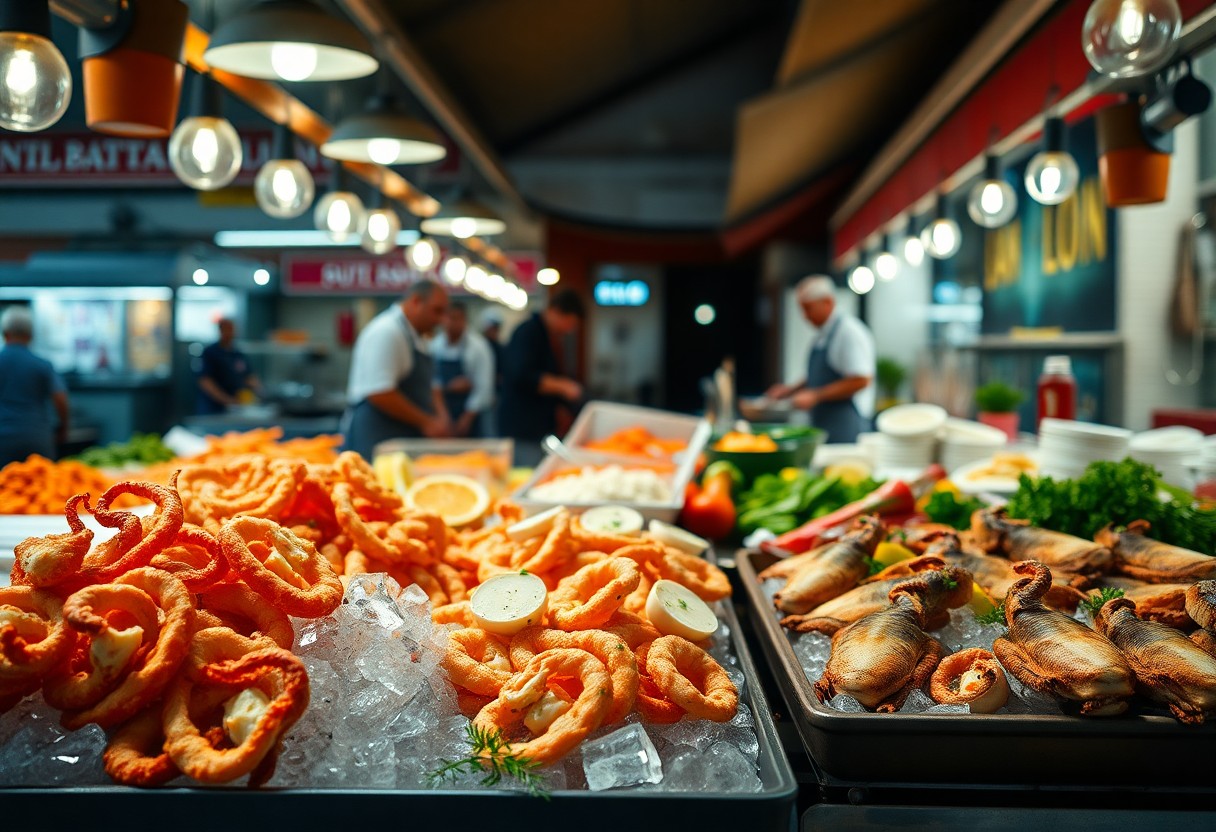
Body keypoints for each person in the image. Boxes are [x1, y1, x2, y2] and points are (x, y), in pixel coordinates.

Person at [343, 280, 452, 459]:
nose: (440, 320)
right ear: (416, 301)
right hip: (376, 437)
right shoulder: (387, 331)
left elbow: (432, 385)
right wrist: (427, 422)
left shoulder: (419, 336)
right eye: (437, 311)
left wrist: (441, 416)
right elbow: (379, 392)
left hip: (401, 440)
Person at [765, 275, 875, 443]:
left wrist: (815, 396)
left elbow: (861, 380)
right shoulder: (823, 334)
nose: (805, 316)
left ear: (827, 302)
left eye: (808, 308)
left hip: (846, 425)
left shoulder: (848, 333)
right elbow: (818, 376)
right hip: (825, 423)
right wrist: (790, 390)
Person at [499, 289, 585, 465]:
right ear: (556, 311)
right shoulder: (528, 332)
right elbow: (521, 375)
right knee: (526, 473)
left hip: (540, 428)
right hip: (523, 428)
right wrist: (563, 386)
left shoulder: (549, 336)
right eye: (569, 323)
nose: (569, 330)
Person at [0, 306, 69, 466]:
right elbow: (60, 398)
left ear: (5, 333)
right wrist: (64, 428)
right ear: (30, 335)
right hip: (37, 437)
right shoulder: (42, 365)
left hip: (2, 438)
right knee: (42, 485)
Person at [430, 303, 496, 438]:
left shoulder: (478, 347)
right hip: (443, 411)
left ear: (464, 321)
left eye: (456, 319)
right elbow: (432, 383)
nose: (450, 323)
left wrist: (466, 419)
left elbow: (484, 388)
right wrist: (443, 416)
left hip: (473, 414)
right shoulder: (435, 346)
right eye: (448, 318)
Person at [196, 318, 260, 414]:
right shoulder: (210, 352)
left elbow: (249, 377)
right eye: (227, 329)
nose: (230, 333)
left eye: (232, 329)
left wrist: (259, 392)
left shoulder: (237, 353)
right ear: (220, 330)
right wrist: (227, 400)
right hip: (213, 408)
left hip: (235, 408)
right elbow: (205, 382)